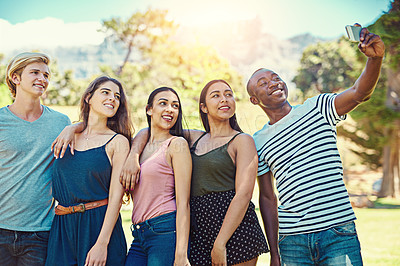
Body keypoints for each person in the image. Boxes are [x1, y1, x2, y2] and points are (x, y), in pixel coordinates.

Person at [246, 26, 385, 265]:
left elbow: (359, 92)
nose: (273, 83)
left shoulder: (318, 108)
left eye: (276, 77)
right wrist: (275, 253)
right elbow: (267, 198)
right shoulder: (258, 140)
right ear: (254, 99)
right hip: (292, 241)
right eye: (263, 82)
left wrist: (375, 59)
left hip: (337, 233)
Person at [121, 80, 269, 266]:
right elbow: (152, 130)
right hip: (199, 230)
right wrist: (133, 155)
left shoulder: (242, 140)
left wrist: (220, 243)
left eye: (229, 94)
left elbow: (244, 194)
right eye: (216, 95)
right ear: (204, 107)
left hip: (234, 231)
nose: (224, 99)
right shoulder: (196, 138)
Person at [45, 76, 133, 266]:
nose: (112, 99)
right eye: (105, 92)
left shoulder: (118, 142)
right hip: (62, 227)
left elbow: (116, 197)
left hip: (98, 226)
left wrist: (102, 243)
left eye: (117, 96)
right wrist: (73, 127)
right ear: (88, 98)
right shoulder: (66, 135)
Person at [0, 52, 71, 266]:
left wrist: (74, 127)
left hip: (40, 233)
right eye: (35, 73)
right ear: (16, 78)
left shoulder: (61, 122)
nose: (42, 79)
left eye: (46, 75)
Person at [123, 87, 191, 266]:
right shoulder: (139, 145)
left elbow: (183, 203)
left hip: (165, 231)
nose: (170, 109)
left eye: (175, 106)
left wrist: (181, 254)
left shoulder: (177, 145)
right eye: (163, 103)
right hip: (139, 234)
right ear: (149, 109)